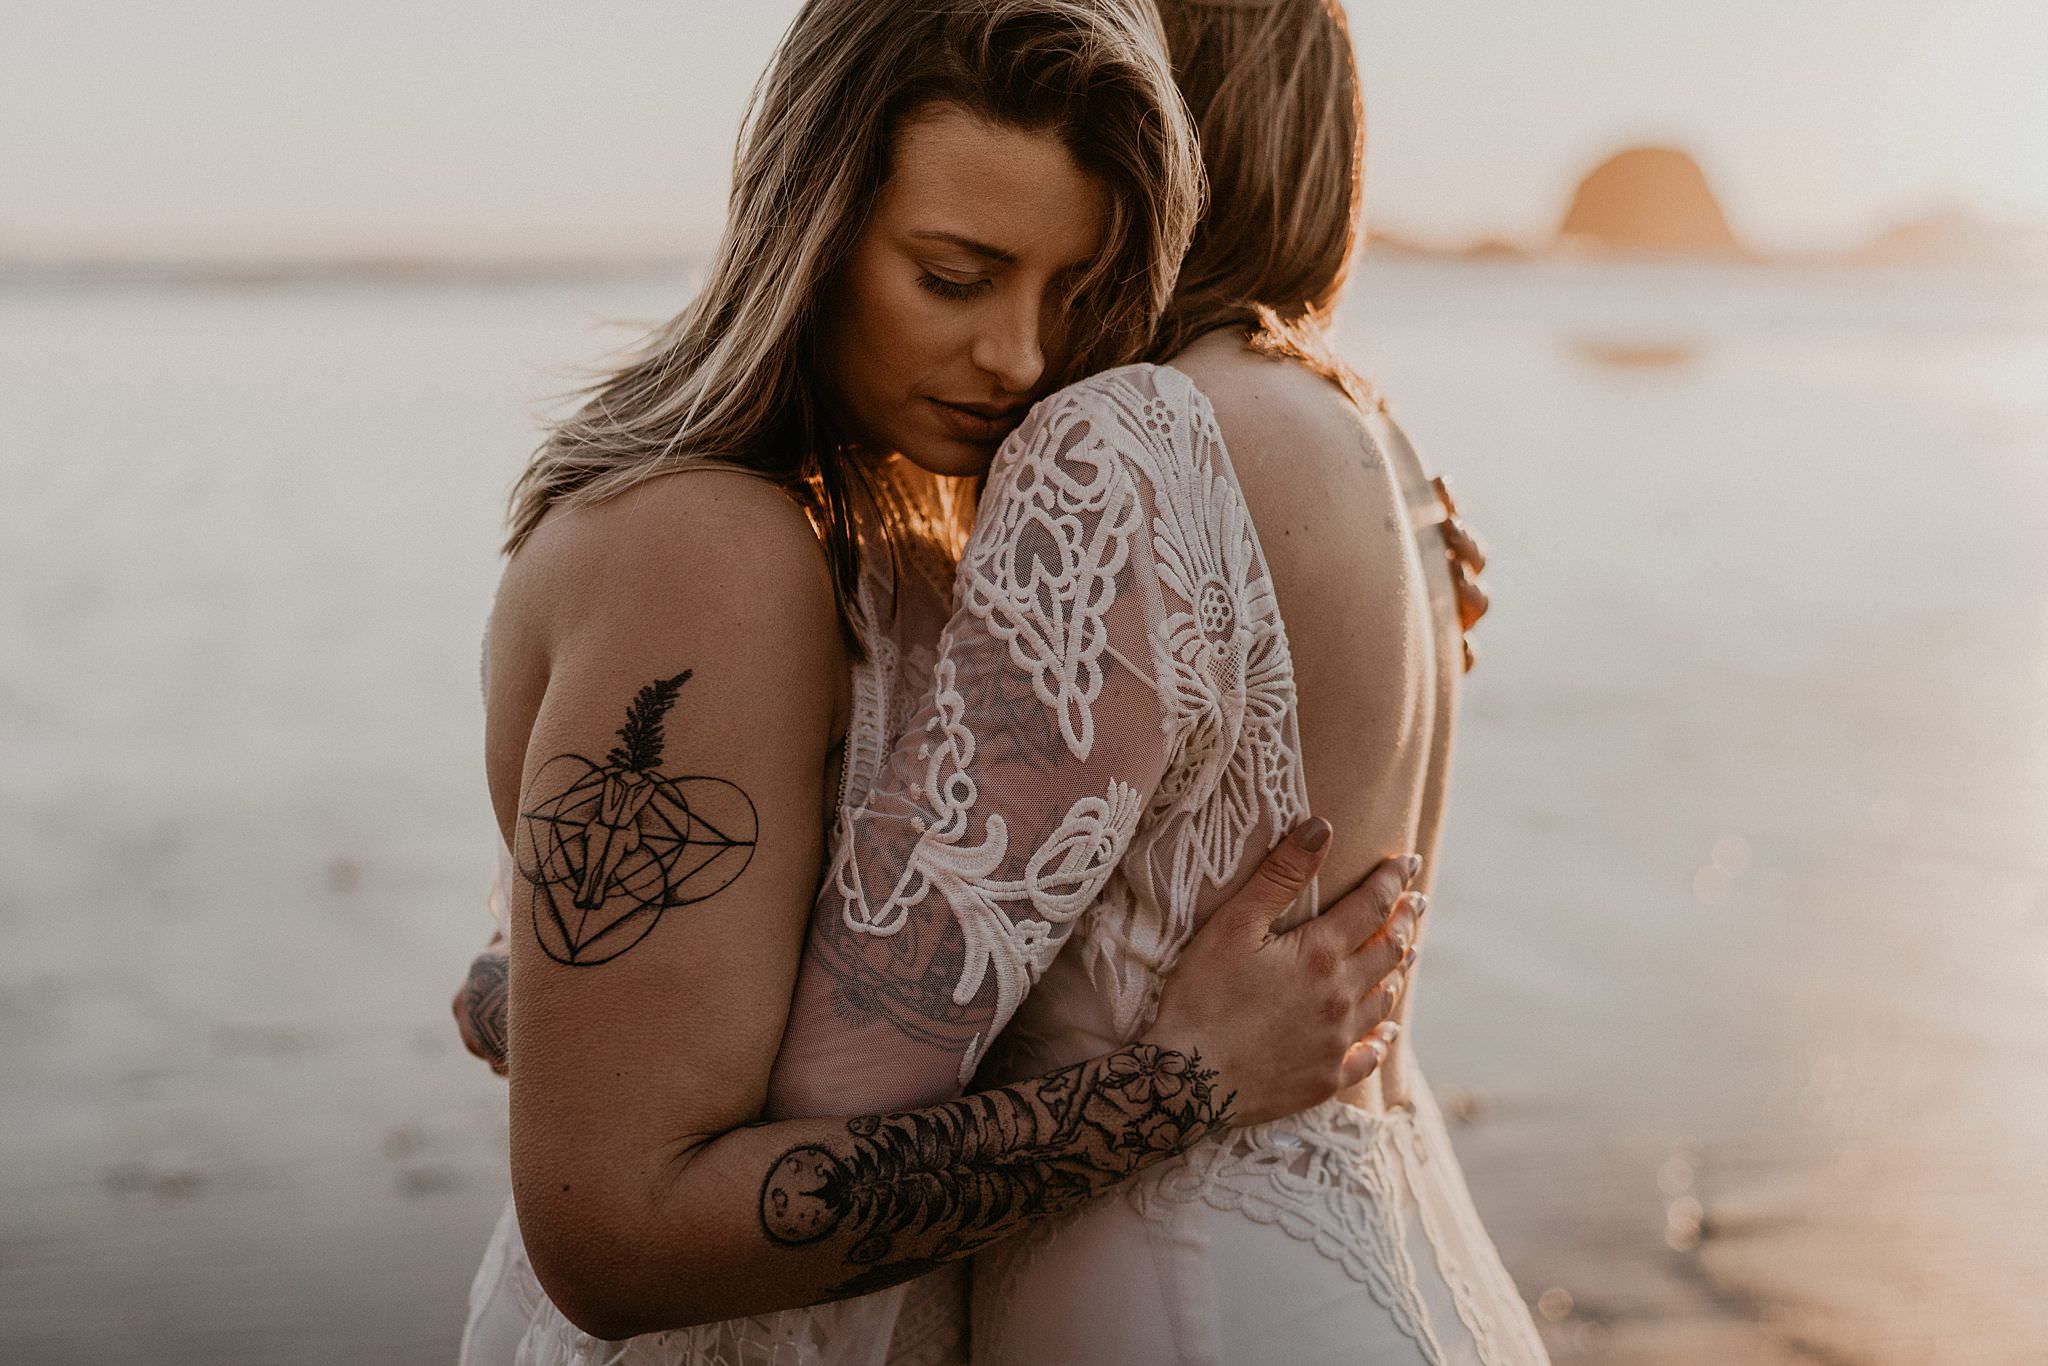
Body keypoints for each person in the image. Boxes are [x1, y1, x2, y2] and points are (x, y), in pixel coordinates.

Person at [455, 2, 1425, 1363]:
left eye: (1071, 291)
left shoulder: (894, 532)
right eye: (955, 276)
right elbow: (612, 1232)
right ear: (812, 231)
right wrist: (1184, 1083)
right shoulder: (704, 552)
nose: (1022, 358)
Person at [759, 0, 1549, 1361]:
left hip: (1182, 1303)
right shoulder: (1377, 442)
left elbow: (842, 1087)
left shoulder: (1123, 445)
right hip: (1397, 1263)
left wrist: (576, 992)